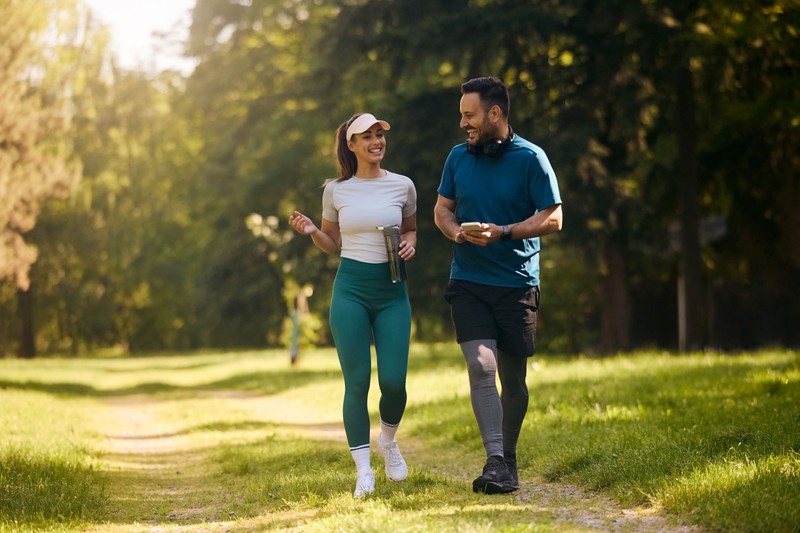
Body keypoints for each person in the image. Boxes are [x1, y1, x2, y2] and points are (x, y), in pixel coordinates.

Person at [433, 77, 563, 494]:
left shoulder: (531, 158)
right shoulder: (457, 158)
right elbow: (441, 210)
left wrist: (506, 231)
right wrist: (456, 234)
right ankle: (494, 460)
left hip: (517, 283)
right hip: (468, 281)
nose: (463, 123)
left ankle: (508, 458)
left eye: (469, 115)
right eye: (460, 115)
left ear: (494, 114)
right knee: (480, 365)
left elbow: (554, 218)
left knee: (514, 379)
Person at [289, 113, 417, 497]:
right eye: (368, 136)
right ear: (352, 144)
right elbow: (333, 242)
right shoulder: (336, 191)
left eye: (380, 135)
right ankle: (363, 471)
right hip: (351, 291)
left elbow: (411, 229)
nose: (377, 141)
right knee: (357, 381)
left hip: (392, 291)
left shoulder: (403, 185)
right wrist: (314, 232)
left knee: (393, 381)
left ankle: (389, 441)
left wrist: (412, 243)